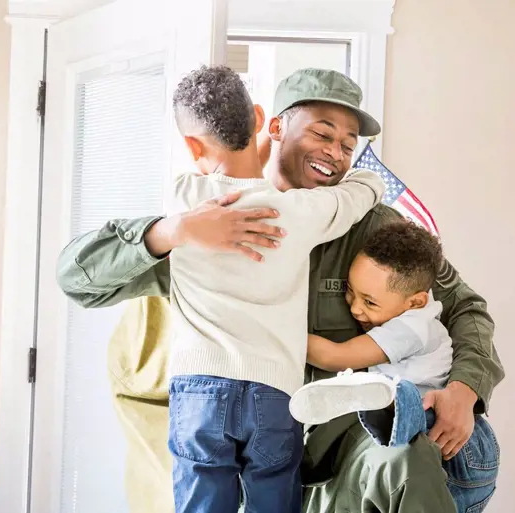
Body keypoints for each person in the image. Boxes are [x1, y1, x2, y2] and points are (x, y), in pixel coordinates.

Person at [57, 68, 505, 513]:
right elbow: (78, 280)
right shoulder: (203, 220)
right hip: (244, 447)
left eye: (348, 145)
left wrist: (465, 390)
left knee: (403, 464)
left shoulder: (377, 226)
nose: (335, 153)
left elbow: (464, 307)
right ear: (272, 126)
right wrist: (172, 231)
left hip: (345, 452)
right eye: (321, 134)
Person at [162, 65, 384, 513]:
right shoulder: (299, 213)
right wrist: (366, 177)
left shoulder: (182, 202)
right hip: (274, 394)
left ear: (190, 145)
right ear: (263, 121)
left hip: (198, 392)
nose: (337, 151)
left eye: (347, 143)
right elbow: (363, 189)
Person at [289, 222, 498, 512]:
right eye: (350, 292)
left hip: (446, 439)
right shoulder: (402, 307)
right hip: (427, 445)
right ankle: (372, 401)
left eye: (370, 302)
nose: (355, 309)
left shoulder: (412, 328)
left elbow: (337, 356)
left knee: (404, 406)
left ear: (415, 301)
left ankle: (379, 399)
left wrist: (277, 332)